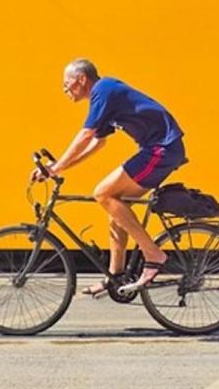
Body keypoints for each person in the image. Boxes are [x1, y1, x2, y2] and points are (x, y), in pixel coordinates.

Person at [31, 58, 187, 295]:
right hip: (158, 149)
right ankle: (115, 277)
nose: (64, 89)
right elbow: (97, 142)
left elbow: (86, 135)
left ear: (81, 79)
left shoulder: (103, 90)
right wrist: (61, 167)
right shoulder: (103, 96)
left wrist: (56, 168)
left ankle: (153, 254)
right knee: (115, 205)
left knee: (102, 193)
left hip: (161, 149)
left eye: (66, 83)